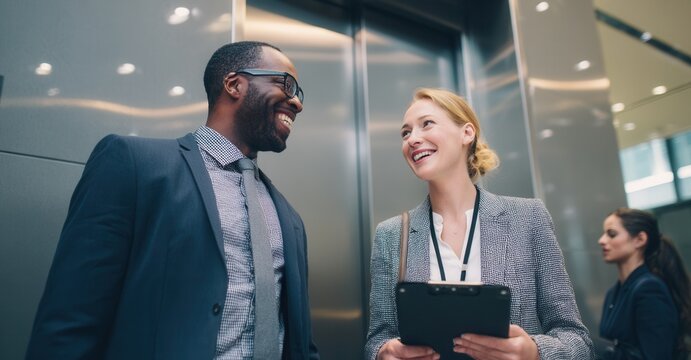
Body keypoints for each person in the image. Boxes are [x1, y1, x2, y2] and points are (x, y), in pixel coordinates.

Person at [26, 41, 319, 359]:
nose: (296, 103)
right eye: (286, 84)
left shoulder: (289, 219)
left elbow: (300, 344)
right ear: (234, 84)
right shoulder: (135, 165)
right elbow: (71, 320)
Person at [365, 88, 594, 360]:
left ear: (467, 133)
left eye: (426, 124)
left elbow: (577, 339)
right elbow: (377, 339)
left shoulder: (528, 217)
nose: (413, 139)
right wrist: (383, 354)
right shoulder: (391, 234)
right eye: (405, 133)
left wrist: (535, 352)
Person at [598, 208, 691, 359]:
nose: (601, 240)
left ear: (640, 239)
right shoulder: (613, 293)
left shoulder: (650, 289)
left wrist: (597, 347)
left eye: (612, 234)